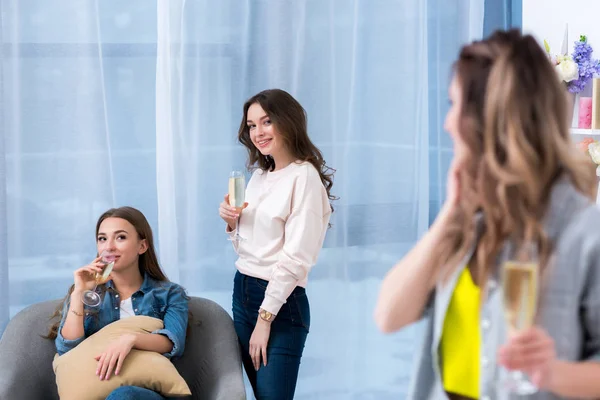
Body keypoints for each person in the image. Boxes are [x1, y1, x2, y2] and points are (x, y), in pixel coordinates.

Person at [374, 29, 600, 400]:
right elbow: (388, 316)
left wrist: (553, 373)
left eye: (454, 106)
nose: (447, 124)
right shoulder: (466, 223)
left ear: (490, 118)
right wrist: (450, 213)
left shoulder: (583, 232)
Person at [218, 89, 335, 399]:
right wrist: (231, 222)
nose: (258, 132)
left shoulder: (304, 178)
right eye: (252, 125)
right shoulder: (258, 176)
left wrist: (265, 319)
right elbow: (250, 247)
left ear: (288, 121)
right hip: (242, 291)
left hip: (280, 304)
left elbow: (297, 258)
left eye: (266, 121)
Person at [46, 206, 189, 400]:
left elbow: (173, 342)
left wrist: (131, 339)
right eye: (102, 239)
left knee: (124, 395)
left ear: (142, 246)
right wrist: (79, 293)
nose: (109, 247)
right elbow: (68, 349)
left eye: (120, 237)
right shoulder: (87, 293)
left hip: (151, 393)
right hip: (98, 392)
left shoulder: (169, 294)